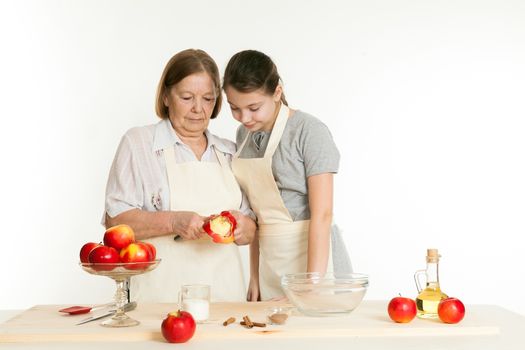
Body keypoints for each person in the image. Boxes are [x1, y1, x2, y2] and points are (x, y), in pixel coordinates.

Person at [103, 49, 256, 302]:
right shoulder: (139, 143)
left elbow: (252, 228)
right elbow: (116, 224)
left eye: (208, 98)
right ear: (165, 96)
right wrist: (173, 222)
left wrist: (244, 228)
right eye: (186, 97)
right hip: (159, 298)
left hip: (226, 296)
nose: (198, 109)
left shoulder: (230, 151)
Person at [223, 50, 352, 301]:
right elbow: (256, 216)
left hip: (313, 264)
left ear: (277, 92)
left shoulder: (309, 131)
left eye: (253, 107)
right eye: (235, 108)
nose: (244, 118)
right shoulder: (243, 136)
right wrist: (254, 276)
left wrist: (310, 287)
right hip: (270, 263)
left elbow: (322, 215)